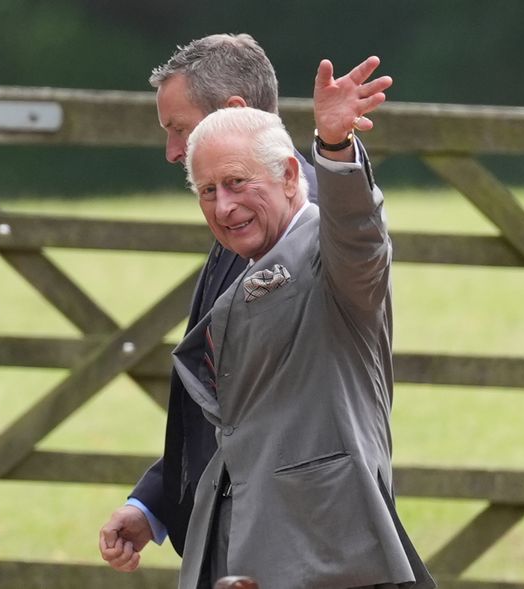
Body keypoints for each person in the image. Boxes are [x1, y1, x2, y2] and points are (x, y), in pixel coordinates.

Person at [170, 59, 435, 588]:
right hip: (236, 536)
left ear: (291, 175)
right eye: (207, 191)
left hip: (325, 550)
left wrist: (335, 150)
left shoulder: (328, 253)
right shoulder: (241, 261)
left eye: (238, 183)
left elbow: (358, 235)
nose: (224, 206)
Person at [99, 33, 321, 573]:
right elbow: (219, 403)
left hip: (292, 541)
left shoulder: (314, 230)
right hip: (226, 529)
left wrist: (338, 148)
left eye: (179, 129)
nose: (173, 151)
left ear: (234, 113)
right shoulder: (237, 214)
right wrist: (154, 503)